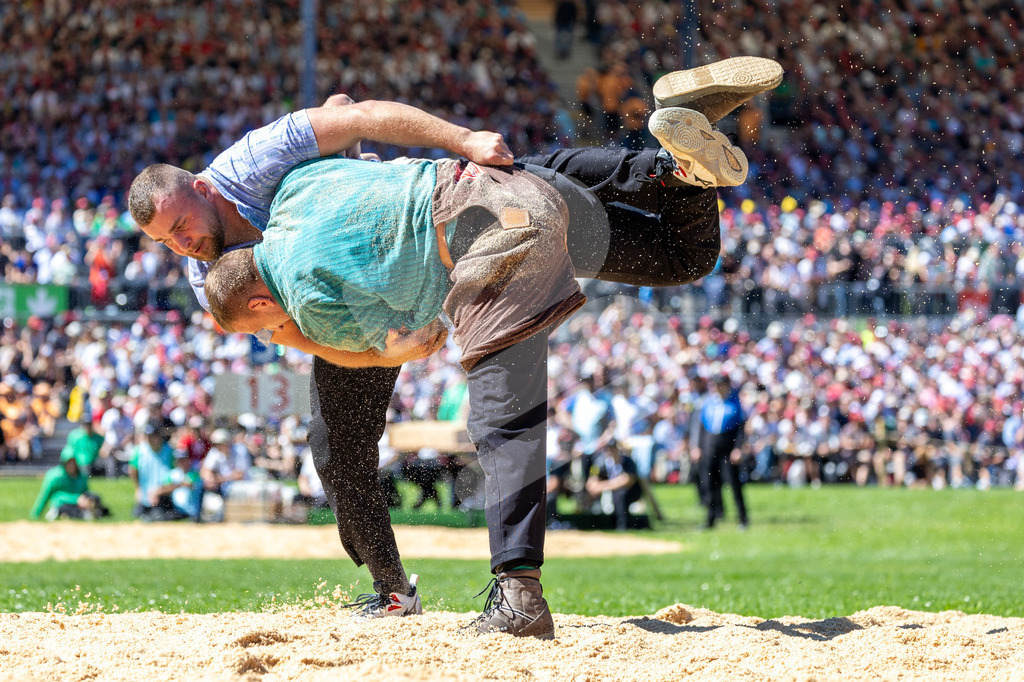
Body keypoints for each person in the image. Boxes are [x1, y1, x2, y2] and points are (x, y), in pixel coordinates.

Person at [127, 56, 782, 626]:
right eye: (167, 242)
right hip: (356, 306)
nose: (183, 245)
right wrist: (388, 351)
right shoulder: (206, 271)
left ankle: (676, 163)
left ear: (202, 187)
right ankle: (391, 592)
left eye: (182, 225)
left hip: (413, 236)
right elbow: (290, 332)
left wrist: (463, 138)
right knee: (337, 446)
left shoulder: (255, 160)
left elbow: (364, 116)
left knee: (527, 190)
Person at [691, 376, 749, 530]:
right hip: (709, 448)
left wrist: (737, 448)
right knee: (709, 483)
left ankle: (743, 518)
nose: (717, 388)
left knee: (734, 484)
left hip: (727, 449)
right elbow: (702, 427)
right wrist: (697, 447)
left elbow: (740, 429)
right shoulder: (709, 403)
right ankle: (711, 517)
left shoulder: (734, 404)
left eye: (719, 385)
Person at [30, 447, 110, 521]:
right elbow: (44, 496)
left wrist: (86, 500)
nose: (72, 465)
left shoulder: (81, 476)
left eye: (73, 462)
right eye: (69, 462)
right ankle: (82, 515)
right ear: (64, 463)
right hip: (61, 504)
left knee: (95, 497)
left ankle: (94, 513)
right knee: (66, 508)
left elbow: (85, 493)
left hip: (79, 505)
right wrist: (35, 514)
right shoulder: (55, 476)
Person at [585, 439, 644, 531]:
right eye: (608, 449)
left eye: (613, 448)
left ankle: (622, 525)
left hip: (631, 491)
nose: (611, 451)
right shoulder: (600, 462)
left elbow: (628, 481)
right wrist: (600, 486)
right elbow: (591, 482)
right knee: (590, 494)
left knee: (620, 494)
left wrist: (603, 486)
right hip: (610, 490)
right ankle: (594, 523)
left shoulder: (627, 461)